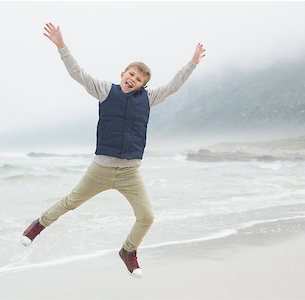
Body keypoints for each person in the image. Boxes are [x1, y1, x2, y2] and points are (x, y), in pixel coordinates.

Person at [22, 22, 206, 278]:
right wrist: (61, 45)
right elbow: (78, 73)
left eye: (139, 79)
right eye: (131, 74)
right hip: (101, 169)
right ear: (122, 74)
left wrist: (193, 63)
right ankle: (37, 226)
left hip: (130, 173)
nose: (133, 79)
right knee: (70, 202)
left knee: (147, 216)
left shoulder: (149, 99)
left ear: (143, 85)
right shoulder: (105, 90)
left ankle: (128, 251)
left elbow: (174, 85)